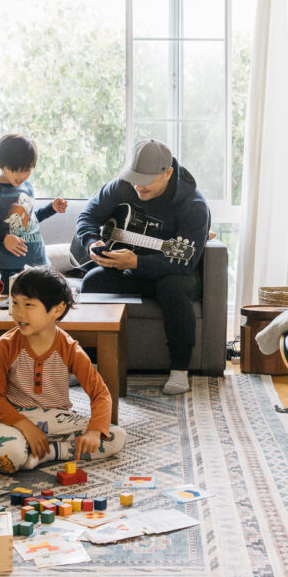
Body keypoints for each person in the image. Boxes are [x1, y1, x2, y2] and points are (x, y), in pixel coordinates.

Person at [76, 140, 210, 396]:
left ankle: (180, 370)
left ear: (168, 173)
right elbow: (87, 217)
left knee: (172, 287)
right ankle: (89, 364)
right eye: (133, 178)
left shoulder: (193, 205)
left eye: (145, 180)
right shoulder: (123, 186)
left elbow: (186, 262)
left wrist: (137, 262)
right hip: (130, 271)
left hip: (173, 273)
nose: (137, 185)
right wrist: (92, 242)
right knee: (93, 282)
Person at [0, 266, 127, 472]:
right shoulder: (5, 345)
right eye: (15, 303)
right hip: (14, 419)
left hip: (56, 419)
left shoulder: (69, 349)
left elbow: (100, 394)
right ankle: (29, 446)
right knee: (9, 458)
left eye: (28, 305)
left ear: (57, 310)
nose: (19, 312)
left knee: (116, 437)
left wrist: (94, 431)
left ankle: (47, 453)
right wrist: (26, 427)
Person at [0, 134, 68, 287]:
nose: (21, 175)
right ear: (1, 164)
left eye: (27, 170)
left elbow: (29, 221)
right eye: (15, 169)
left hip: (41, 261)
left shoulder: (27, 187)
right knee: (15, 306)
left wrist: (51, 209)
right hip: (13, 266)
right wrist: (3, 239)